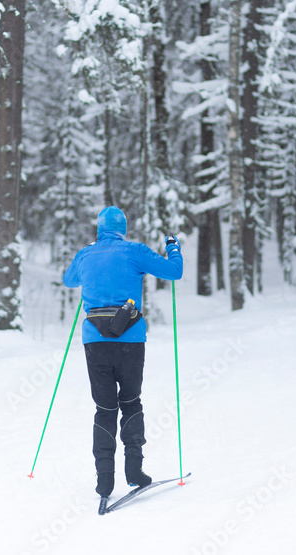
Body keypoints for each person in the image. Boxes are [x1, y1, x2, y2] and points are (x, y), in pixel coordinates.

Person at [62, 206, 183, 499]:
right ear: (123, 228)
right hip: (130, 340)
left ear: (99, 228)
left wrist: (86, 259)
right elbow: (174, 271)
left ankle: (104, 482)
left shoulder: (86, 254)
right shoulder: (134, 251)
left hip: (95, 343)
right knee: (130, 402)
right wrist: (173, 247)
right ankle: (134, 472)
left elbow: (68, 280)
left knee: (104, 409)